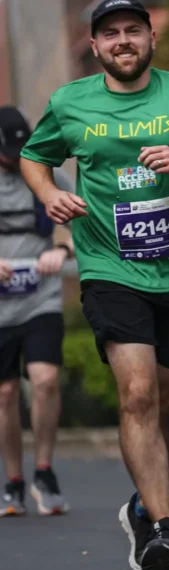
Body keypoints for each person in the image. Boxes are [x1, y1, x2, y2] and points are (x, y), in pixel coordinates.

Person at [19, 0, 169, 570]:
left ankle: (144, 505)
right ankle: (166, 529)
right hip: (109, 267)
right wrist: (49, 195)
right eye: (110, 34)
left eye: (132, 30)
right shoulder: (71, 103)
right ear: (94, 46)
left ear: (151, 37)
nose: (122, 41)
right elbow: (34, 156)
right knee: (139, 395)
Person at [0, 106, 74, 517]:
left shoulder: (42, 172)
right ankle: (13, 481)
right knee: (6, 393)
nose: (14, 158)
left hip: (40, 297)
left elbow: (81, 219)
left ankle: (44, 470)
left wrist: (62, 249)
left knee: (44, 380)